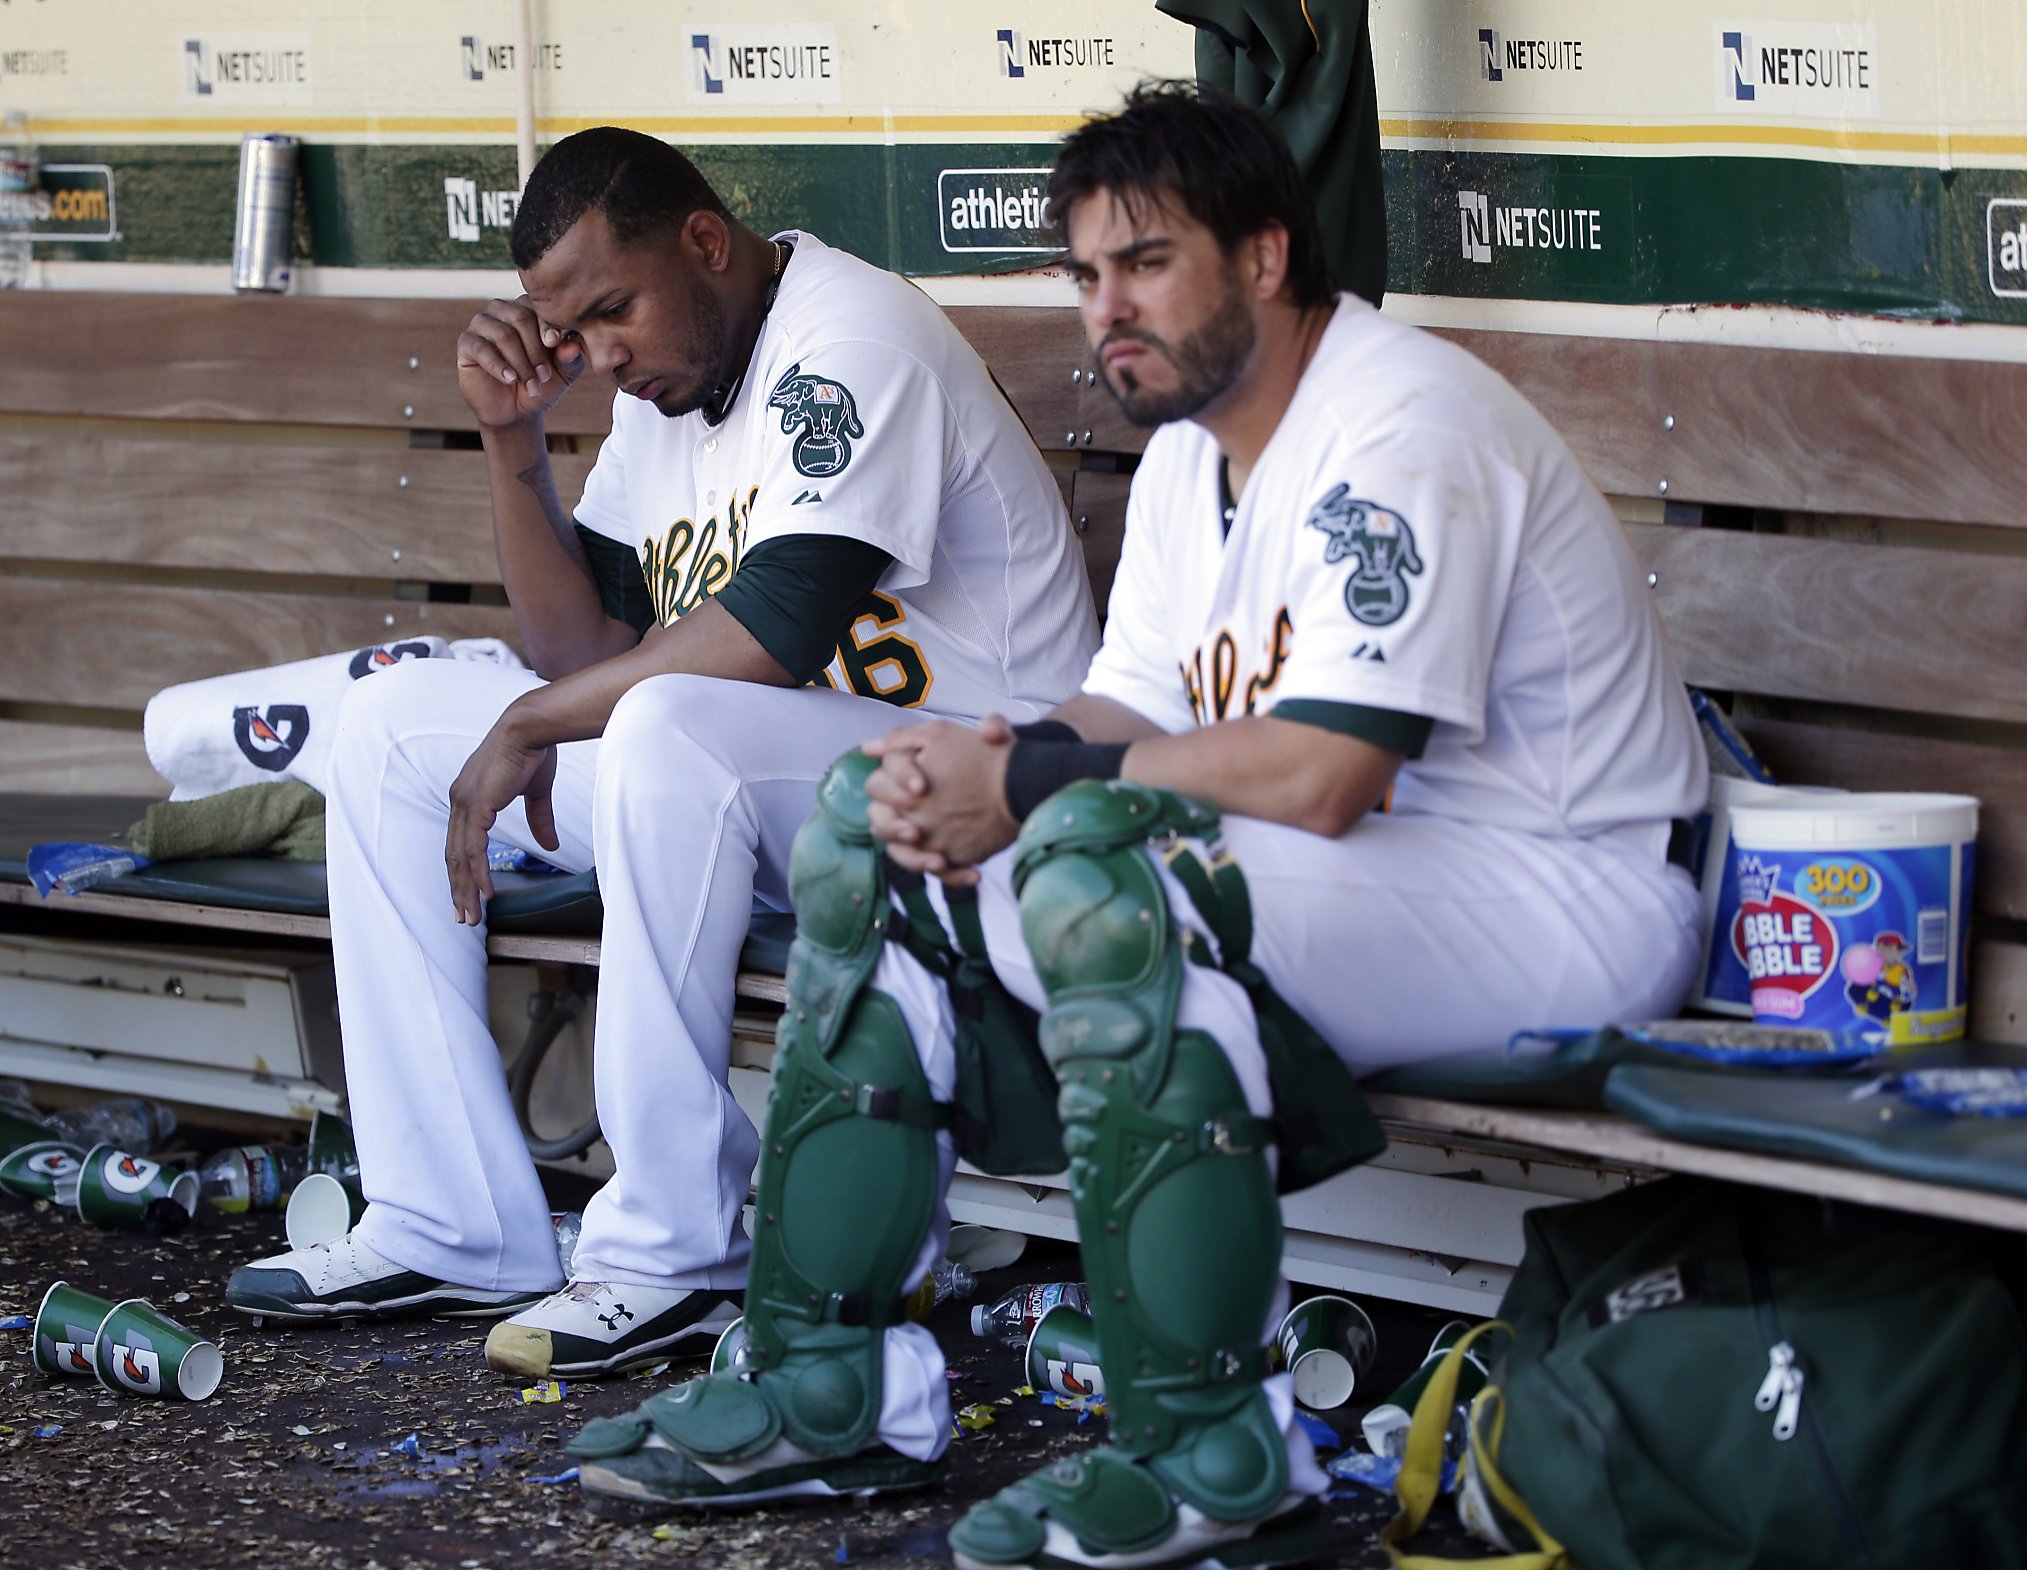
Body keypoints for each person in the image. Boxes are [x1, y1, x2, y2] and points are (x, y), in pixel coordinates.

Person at [558, 84, 1708, 1568]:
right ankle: (829, 1379)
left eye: (1148, 264)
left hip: (1567, 890)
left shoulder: (1397, 424)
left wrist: (1031, 791)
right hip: (1378, 874)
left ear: (1268, 258)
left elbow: (1330, 774)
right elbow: (1125, 715)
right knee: (869, 833)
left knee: (1115, 887)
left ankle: (1211, 1456)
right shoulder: (1188, 451)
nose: (1110, 308)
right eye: (1088, 274)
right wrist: (970, 768)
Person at [224, 128, 1100, 1387]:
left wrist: (528, 721)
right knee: (394, 729)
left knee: (661, 718)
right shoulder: (667, 383)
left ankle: (676, 1247)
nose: (603, 353)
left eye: (615, 308)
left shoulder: (846, 337)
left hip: (969, 799)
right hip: (765, 788)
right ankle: (446, 1218)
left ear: (704, 241)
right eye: (573, 327)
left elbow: (769, 633)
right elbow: (577, 638)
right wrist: (514, 445)